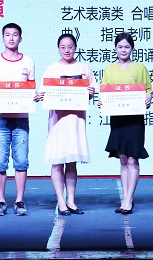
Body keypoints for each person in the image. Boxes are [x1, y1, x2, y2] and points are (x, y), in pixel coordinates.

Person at [35, 33, 97, 216]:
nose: (67, 50)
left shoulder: (84, 68)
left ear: (75, 47)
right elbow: (44, 93)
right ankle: (61, 201)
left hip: (75, 121)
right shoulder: (52, 69)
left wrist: (90, 92)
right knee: (57, 162)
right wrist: (40, 96)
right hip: (58, 122)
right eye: (63, 47)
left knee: (71, 162)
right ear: (58, 48)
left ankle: (71, 200)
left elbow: (91, 92)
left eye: (70, 46)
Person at [100, 32, 153, 215]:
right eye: (120, 47)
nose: (123, 50)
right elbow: (104, 92)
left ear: (132, 48)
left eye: (127, 47)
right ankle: (125, 199)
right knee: (122, 158)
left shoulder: (140, 68)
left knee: (132, 158)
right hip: (117, 119)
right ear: (115, 48)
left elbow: (148, 90)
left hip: (134, 119)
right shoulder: (109, 69)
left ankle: (129, 199)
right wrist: (102, 102)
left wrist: (148, 98)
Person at [0, 23, 34, 216]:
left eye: (15, 35)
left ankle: (19, 201)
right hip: (0, 119)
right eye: (7, 35)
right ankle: (1, 201)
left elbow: (30, 89)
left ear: (20, 38)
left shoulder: (28, 62)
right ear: (2, 38)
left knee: (21, 161)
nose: (11, 38)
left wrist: (35, 96)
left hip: (21, 119)